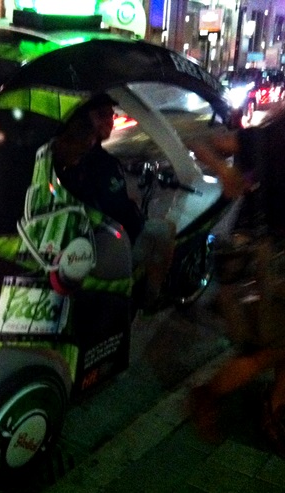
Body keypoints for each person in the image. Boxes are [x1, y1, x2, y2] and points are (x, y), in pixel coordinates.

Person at [188, 103, 285, 454]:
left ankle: (275, 408)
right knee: (266, 349)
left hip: (272, 261)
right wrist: (224, 172)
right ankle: (207, 395)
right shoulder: (266, 138)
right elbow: (198, 140)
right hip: (259, 260)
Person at [53, 94, 176, 305]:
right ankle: (151, 298)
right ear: (83, 121)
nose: (109, 121)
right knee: (166, 231)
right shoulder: (81, 164)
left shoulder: (99, 158)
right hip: (113, 246)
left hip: (117, 236)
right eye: (101, 115)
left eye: (110, 115)